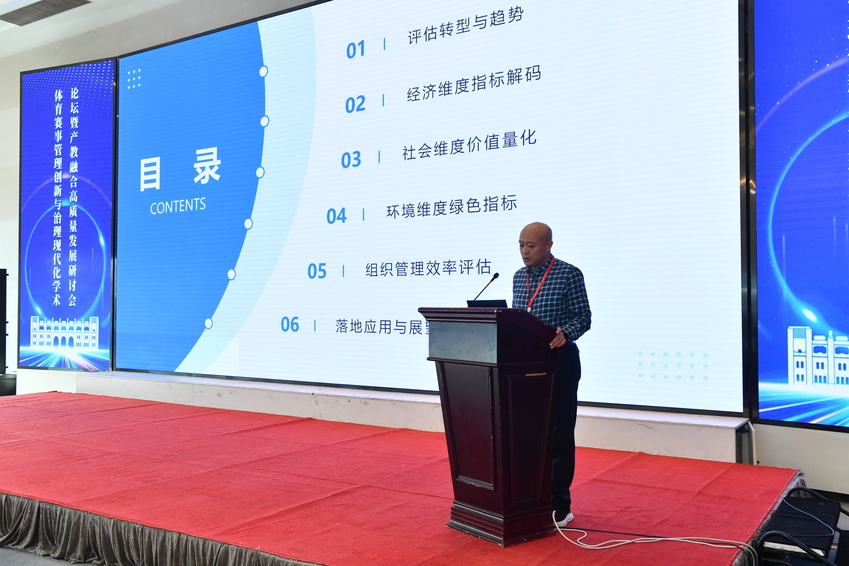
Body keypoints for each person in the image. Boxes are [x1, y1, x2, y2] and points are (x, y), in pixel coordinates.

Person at [512, 222, 591, 528]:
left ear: (548, 246)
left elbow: (583, 317)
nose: (524, 251)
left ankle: (560, 504)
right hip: (525, 365)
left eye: (530, 245)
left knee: (558, 435)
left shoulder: (569, 274)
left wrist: (565, 333)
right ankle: (532, 497)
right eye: (521, 245)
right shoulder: (518, 277)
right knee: (531, 435)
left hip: (560, 362)